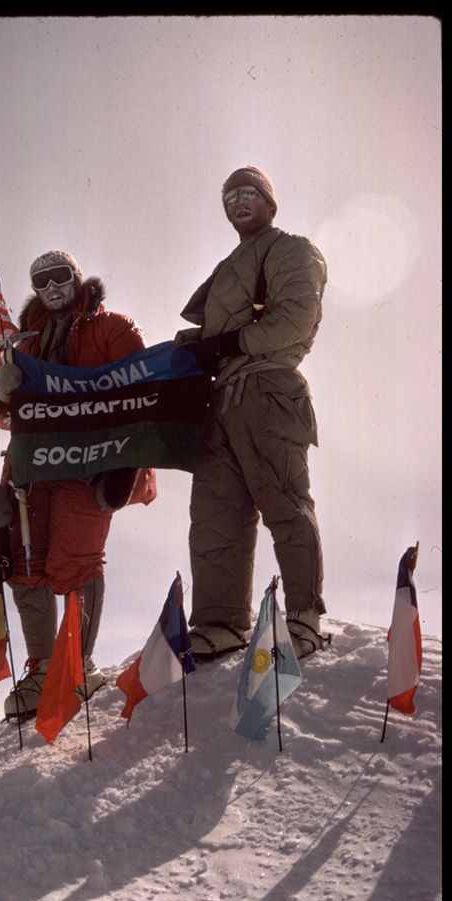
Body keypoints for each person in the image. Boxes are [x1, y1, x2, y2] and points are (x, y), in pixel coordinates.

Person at [0, 250, 156, 720]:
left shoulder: (112, 329)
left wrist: (126, 464)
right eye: (41, 280)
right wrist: (4, 392)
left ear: (76, 278)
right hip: (34, 468)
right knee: (24, 561)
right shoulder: (26, 344)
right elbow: (8, 415)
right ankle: (43, 669)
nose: (52, 287)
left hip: (89, 465)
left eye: (60, 276)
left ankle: (76, 665)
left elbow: (141, 392)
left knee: (77, 560)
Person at [175, 166, 329, 661]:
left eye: (249, 193)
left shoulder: (291, 250)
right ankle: (219, 626)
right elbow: (219, 337)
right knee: (214, 519)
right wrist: (195, 346)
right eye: (229, 196)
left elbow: (293, 320)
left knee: (284, 503)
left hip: (268, 389)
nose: (238, 203)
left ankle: (303, 617)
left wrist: (228, 342)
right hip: (218, 402)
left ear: (270, 202)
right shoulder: (227, 267)